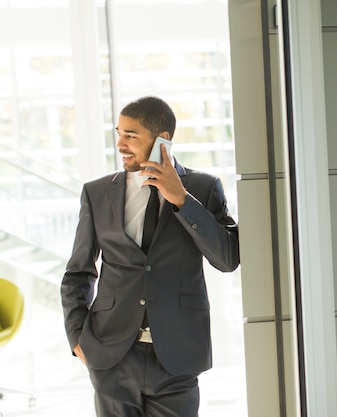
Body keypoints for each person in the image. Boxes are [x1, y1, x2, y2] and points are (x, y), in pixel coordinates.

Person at [60, 96, 240, 417]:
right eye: (119, 133)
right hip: (111, 355)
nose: (120, 143)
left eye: (131, 135)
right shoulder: (98, 193)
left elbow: (226, 259)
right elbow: (78, 272)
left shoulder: (203, 187)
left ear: (162, 140)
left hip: (176, 356)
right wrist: (77, 337)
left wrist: (182, 200)